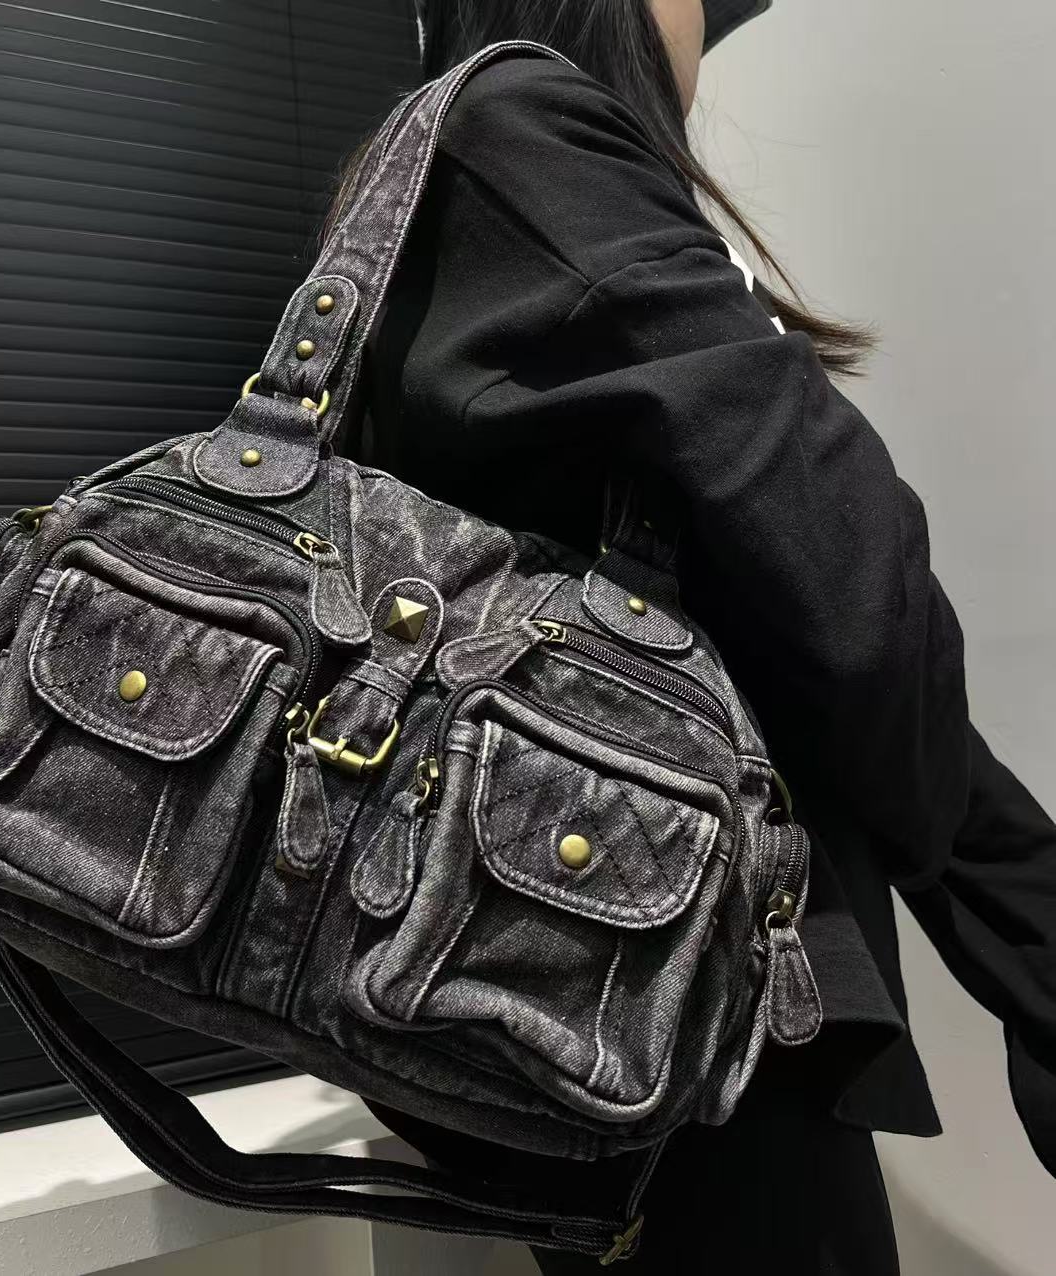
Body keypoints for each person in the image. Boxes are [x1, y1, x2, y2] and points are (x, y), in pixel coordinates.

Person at [332, 2, 1056, 1271]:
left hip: (618, 985)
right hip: (684, 1017)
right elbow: (856, 596)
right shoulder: (525, 136)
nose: (702, 33)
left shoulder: (473, 170)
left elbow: (795, 605)